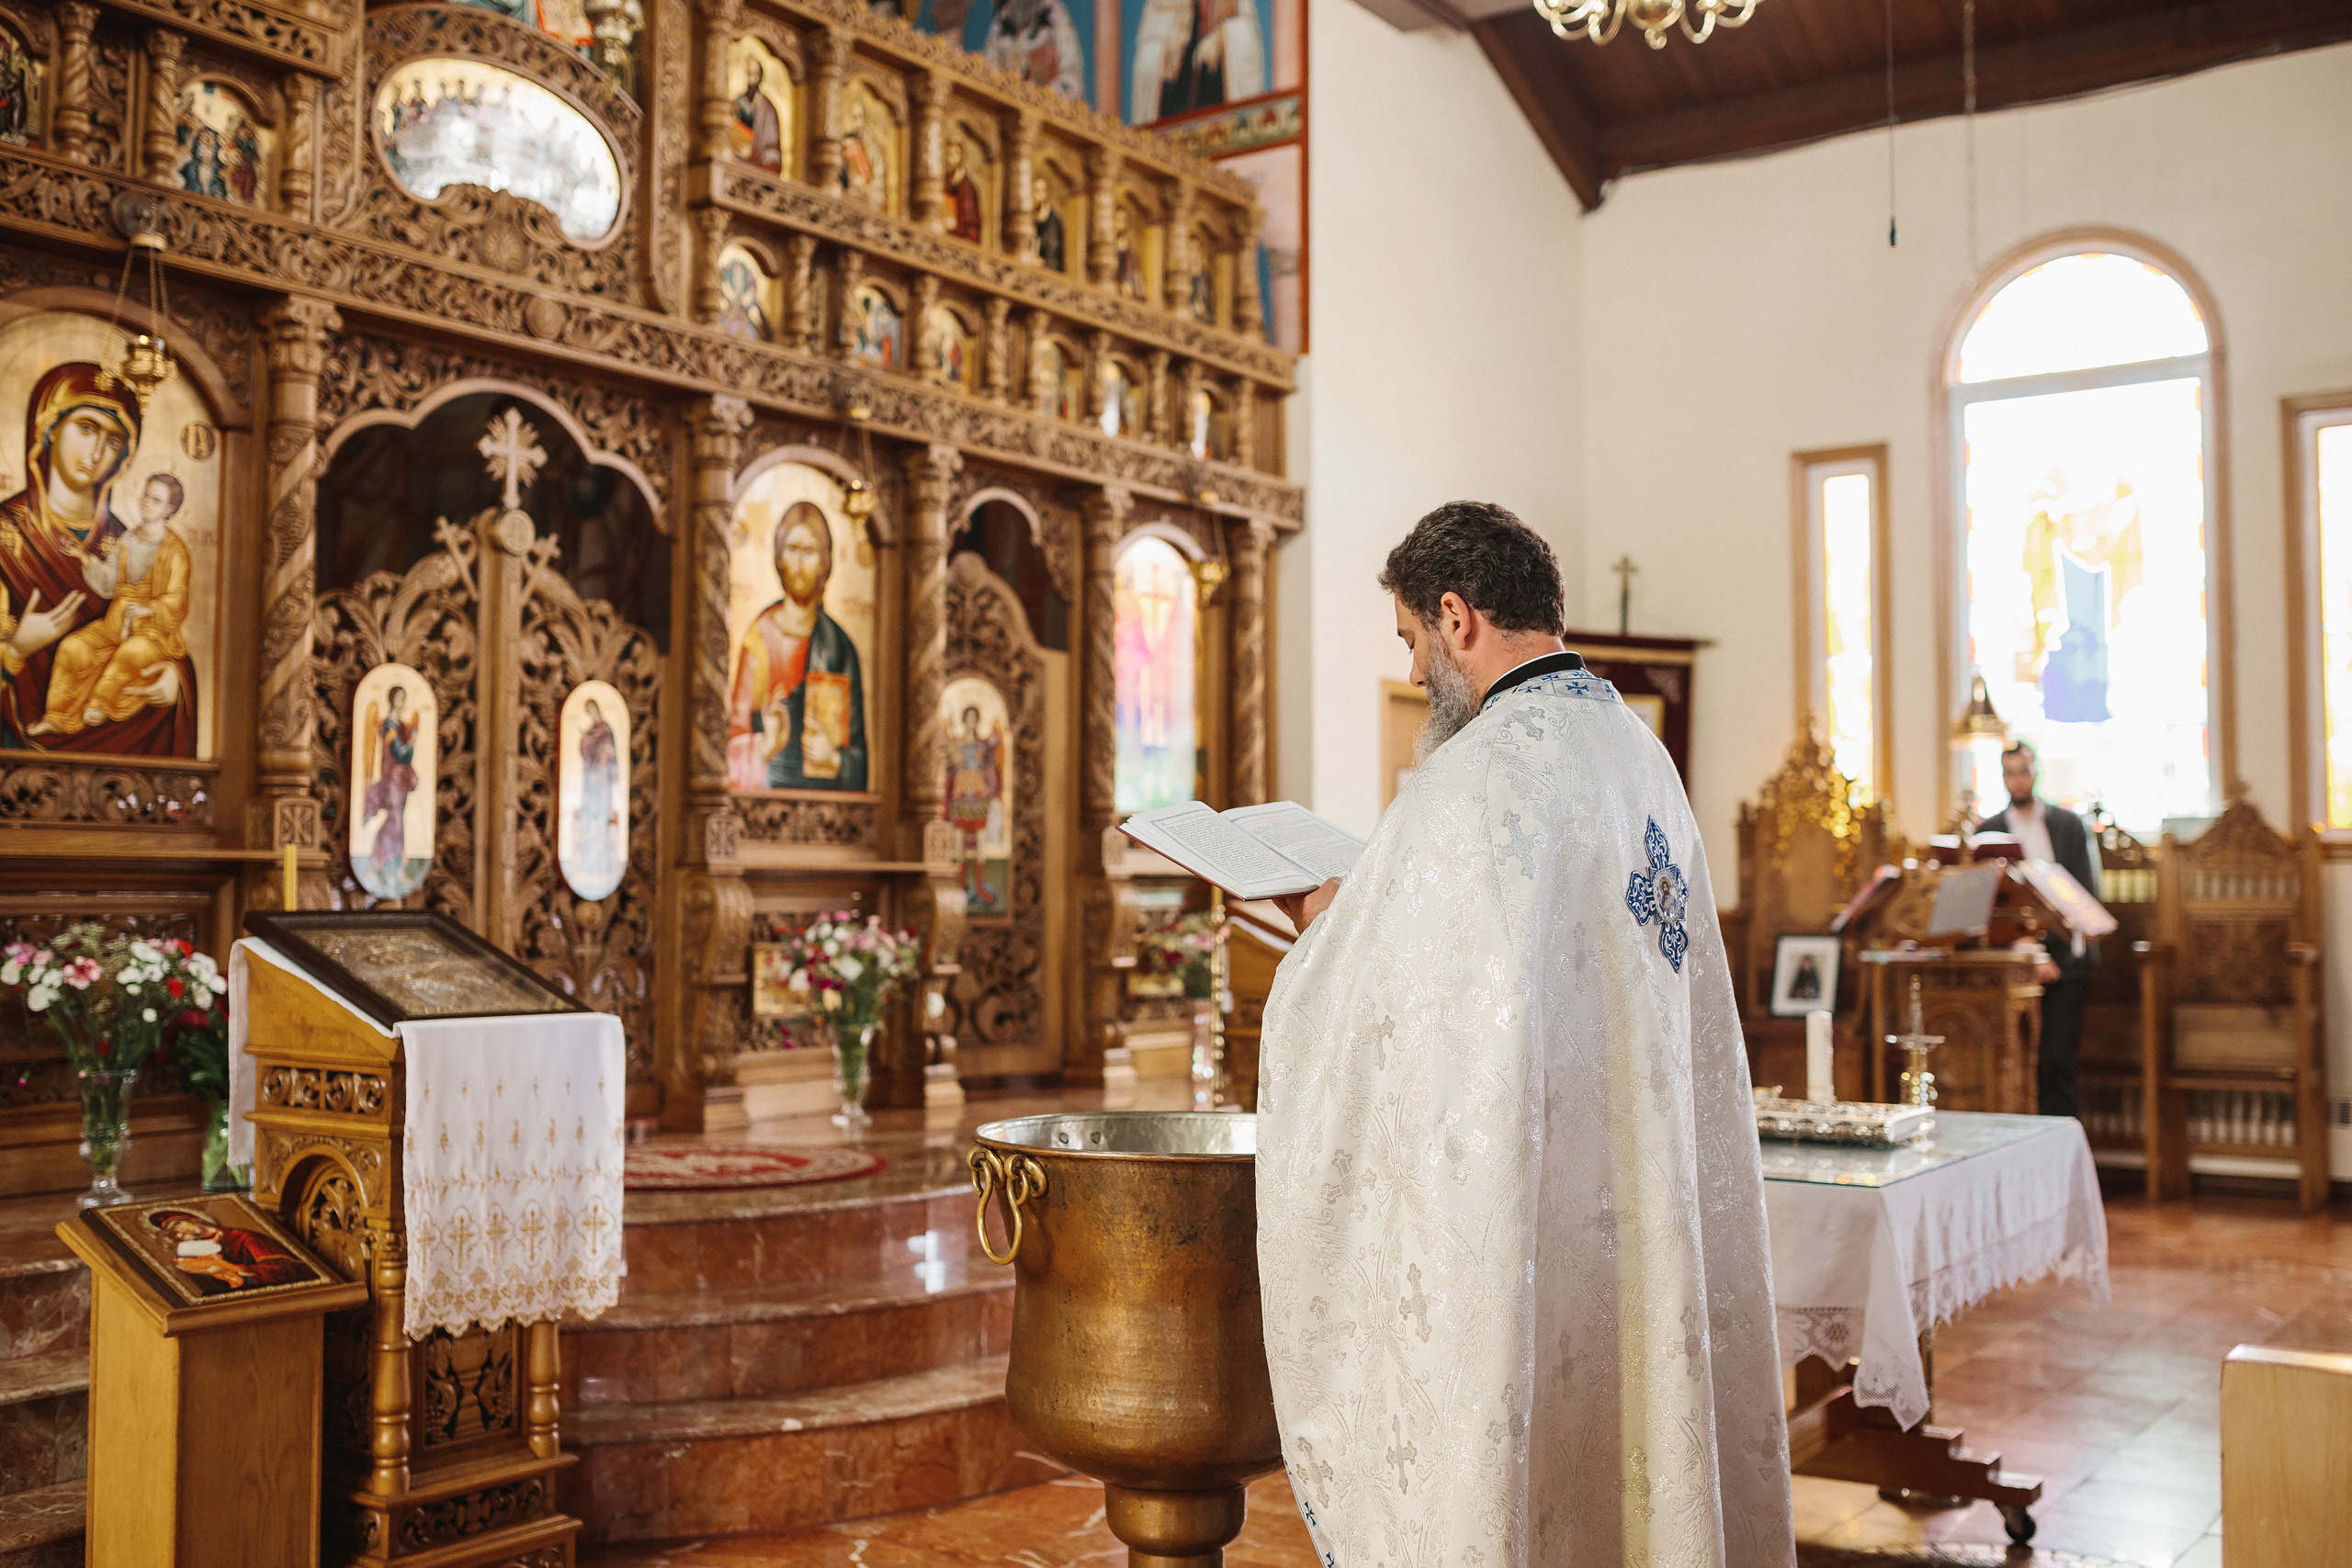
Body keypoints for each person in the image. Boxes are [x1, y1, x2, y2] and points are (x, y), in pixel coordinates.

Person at [1261, 502, 1792, 1567]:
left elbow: (1382, 991)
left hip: (1529, 1193)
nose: (1414, 669)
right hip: (1627, 1185)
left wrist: (1318, 925)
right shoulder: (1636, 752)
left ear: (1457, 617)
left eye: (1412, 637)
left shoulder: (1475, 776)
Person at [0, 363, 197, 755]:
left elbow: (170, 623)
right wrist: (16, 649)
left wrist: (175, 680)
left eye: (112, 441)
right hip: (16, 770)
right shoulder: (6, 533)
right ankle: (59, 714)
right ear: (50, 428)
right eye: (86, 428)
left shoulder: (122, 537)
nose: (95, 453)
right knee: (77, 651)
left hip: (122, 765)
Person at [1978, 739, 2103, 1118]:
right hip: (2011, 961)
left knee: (2056, 1060)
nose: (2017, 780)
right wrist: (2027, 949)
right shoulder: (1989, 830)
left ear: (2036, 773)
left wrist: (2047, 951)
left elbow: (2082, 894)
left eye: (2023, 771)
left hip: (2065, 961)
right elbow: (1990, 905)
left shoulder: (2067, 826)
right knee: (2009, 1062)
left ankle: (2063, 1152)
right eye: (2009, 773)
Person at [31, 474, 190, 738]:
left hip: (154, 633)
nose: (147, 503)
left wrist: (148, 608)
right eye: (146, 496)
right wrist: (84, 556)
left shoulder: (175, 551)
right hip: (114, 625)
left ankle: (99, 705)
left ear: (169, 509)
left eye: (156, 500)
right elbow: (107, 583)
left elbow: (178, 599)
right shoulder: (127, 539)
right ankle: (56, 718)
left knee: (132, 653)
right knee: (73, 647)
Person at [726, 502, 868, 791]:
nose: (800, 563)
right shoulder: (759, 637)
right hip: (765, 798)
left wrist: (834, 759)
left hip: (826, 807)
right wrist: (765, 745)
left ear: (824, 561)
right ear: (779, 556)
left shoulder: (839, 647)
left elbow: (861, 760)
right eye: (792, 549)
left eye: (810, 551)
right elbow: (730, 745)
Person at [150, 1208, 311, 1296]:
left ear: (192, 1218)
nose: (178, 1234)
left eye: (178, 1225)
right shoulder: (192, 1252)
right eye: (172, 1233)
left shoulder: (243, 1238)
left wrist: (228, 1268)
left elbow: (285, 1271)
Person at [729, 57, 784, 174]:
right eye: (749, 74)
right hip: (737, 158)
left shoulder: (768, 109)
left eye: (755, 75)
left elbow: (773, 148)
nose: (751, 80)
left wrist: (753, 151)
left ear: (760, 77)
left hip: (759, 163)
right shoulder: (738, 103)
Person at [944, 137, 984, 243]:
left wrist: (956, 225)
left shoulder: (967, 185)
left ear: (961, 156)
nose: (951, 158)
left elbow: (970, 218)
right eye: (949, 154)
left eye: (955, 154)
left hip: (961, 234)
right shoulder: (945, 181)